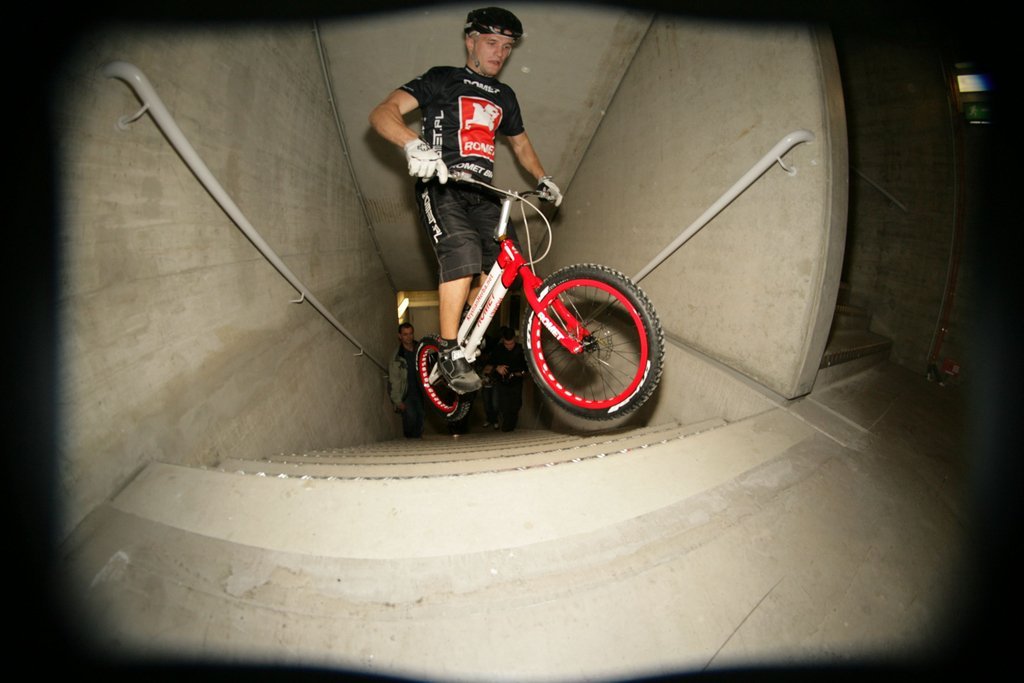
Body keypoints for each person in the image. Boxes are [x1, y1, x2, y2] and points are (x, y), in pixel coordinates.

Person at [369, 6, 563, 396]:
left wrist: (543, 177)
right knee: (463, 249)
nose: (500, 53)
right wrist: (412, 145)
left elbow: (521, 145)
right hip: (441, 185)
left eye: (507, 47)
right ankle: (447, 348)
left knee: (506, 265)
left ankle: (469, 331)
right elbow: (382, 113)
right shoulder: (442, 78)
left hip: (482, 192)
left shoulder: (505, 96)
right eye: (491, 43)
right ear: (470, 40)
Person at [486, 326, 528, 432]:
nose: (509, 346)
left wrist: (519, 373)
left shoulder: (521, 350)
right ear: (503, 340)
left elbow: (527, 369)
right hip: (501, 383)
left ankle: (510, 426)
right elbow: (487, 367)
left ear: (515, 339)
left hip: (516, 382)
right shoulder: (498, 349)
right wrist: (497, 368)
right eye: (506, 344)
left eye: (511, 343)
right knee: (503, 406)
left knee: (516, 405)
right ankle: (506, 427)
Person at [388, 322, 424, 438]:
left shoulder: (421, 349)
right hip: (406, 393)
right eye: (405, 334)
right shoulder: (397, 357)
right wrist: (397, 401)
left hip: (421, 392)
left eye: (410, 333)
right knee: (411, 418)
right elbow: (394, 380)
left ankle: (418, 440)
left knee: (421, 417)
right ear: (400, 336)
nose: (409, 337)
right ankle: (410, 441)